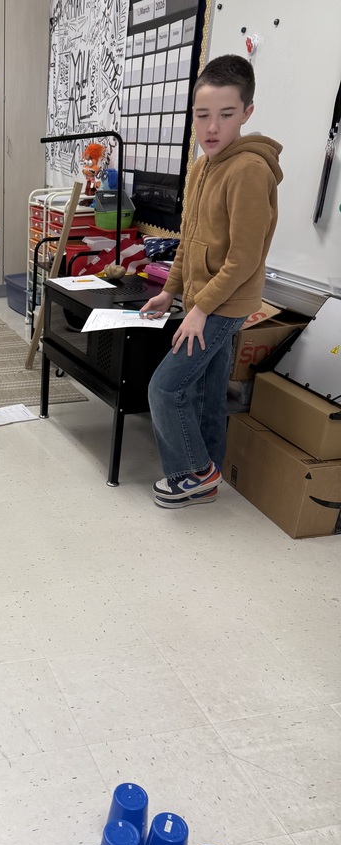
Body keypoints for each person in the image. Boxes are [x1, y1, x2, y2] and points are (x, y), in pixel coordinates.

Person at [140, 54, 282, 509]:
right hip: (201, 299)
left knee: (165, 387)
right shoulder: (202, 167)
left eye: (226, 115)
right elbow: (191, 238)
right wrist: (170, 290)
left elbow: (243, 259)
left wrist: (200, 310)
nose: (212, 128)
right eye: (202, 116)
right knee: (204, 390)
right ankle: (211, 473)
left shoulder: (250, 171)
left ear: (247, 113)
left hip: (224, 304)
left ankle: (192, 472)